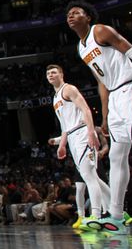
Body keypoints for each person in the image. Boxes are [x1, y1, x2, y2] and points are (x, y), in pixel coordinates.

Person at [67, 0, 132, 233]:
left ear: (88, 17)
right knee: (117, 157)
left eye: (77, 12)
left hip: (130, 87)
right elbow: (101, 81)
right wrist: (105, 115)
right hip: (115, 99)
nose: (71, 16)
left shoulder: (100, 30)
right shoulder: (80, 47)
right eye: (69, 14)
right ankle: (116, 215)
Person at [45, 64, 104, 227]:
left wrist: (91, 132)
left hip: (82, 133)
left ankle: (96, 217)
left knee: (89, 176)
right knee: (92, 178)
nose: (50, 75)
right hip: (72, 138)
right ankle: (117, 210)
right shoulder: (55, 98)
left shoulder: (69, 89)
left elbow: (86, 110)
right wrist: (61, 145)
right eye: (48, 73)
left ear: (61, 74)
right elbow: (65, 125)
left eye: (54, 72)